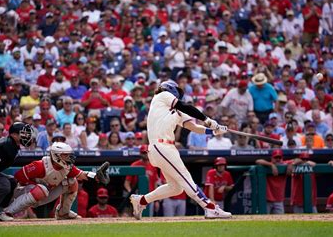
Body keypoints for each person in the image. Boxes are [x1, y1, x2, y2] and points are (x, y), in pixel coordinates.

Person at [130, 80, 232, 220]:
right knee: (185, 177)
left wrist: (213, 131)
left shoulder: (175, 112)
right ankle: (210, 208)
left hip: (165, 148)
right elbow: (185, 106)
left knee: (176, 187)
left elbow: (194, 128)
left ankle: (141, 201)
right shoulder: (162, 96)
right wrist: (207, 119)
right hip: (161, 146)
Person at [2, 142, 109, 219]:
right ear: (56, 156)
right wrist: (34, 187)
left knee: (72, 182)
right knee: (41, 189)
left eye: (68, 155)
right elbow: (18, 177)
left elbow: (82, 175)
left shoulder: (67, 167)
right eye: (65, 155)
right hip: (21, 194)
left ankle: (63, 213)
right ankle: (7, 212)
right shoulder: (40, 165)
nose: (68, 158)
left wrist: (96, 176)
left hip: (44, 193)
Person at [124, 144, 159, 217]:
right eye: (143, 153)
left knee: (149, 217)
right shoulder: (135, 164)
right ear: (140, 153)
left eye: (146, 152)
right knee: (136, 217)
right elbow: (126, 183)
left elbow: (155, 184)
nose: (145, 154)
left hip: (150, 196)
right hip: (138, 196)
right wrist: (131, 193)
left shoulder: (153, 165)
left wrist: (156, 200)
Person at [255, 149, 293, 214]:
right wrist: (271, 165)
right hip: (267, 200)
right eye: (275, 157)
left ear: (282, 158)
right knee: (264, 221)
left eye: (279, 157)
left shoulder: (285, 164)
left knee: (280, 222)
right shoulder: (267, 166)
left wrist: (291, 164)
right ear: (272, 158)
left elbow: (299, 160)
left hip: (279, 200)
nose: (277, 159)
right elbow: (258, 161)